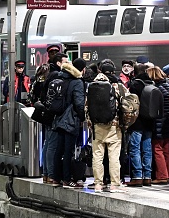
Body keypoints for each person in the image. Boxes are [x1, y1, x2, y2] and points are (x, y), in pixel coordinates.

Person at [88, 61, 128, 193]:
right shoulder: (117, 86)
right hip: (114, 126)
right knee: (114, 156)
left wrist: (90, 124)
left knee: (97, 156)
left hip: (97, 127)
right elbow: (126, 105)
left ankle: (98, 184)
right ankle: (115, 184)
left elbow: (86, 108)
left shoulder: (91, 86)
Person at [48, 60, 85, 188]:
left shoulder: (59, 80)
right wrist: (82, 117)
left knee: (59, 150)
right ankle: (67, 179)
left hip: (58, 118)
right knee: (68, 151)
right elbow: (79, 103)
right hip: (70, 119)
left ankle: (55, 178)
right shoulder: (77, 82)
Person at [125, 63, 156, 187]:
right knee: (147, 150)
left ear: (134, 72)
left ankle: (137, 176)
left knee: (135, 148)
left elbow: (132, 104)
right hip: (150, 121)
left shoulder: (135, 85)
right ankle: (147, 176)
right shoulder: (152, 83)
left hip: (137, 122)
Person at [148, 66, 169, 185]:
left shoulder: (156, 90)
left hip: (159, 122)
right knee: (166, 149)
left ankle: (162, 175)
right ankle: (167, 174)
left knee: (157, 149)